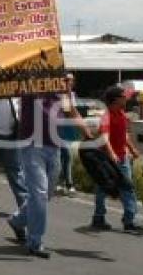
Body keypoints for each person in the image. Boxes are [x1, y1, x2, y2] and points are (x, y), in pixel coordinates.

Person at [7, 91, 90, 258]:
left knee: (46, 194)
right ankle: (35, 242)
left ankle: (18, 220)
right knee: (39, 193)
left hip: (54, 146)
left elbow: (70, 111)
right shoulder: (30, 86)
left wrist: (87, 133)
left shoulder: (60, 92)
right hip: (31, 146)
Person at [91, 85, 142, 231]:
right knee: (103, 188)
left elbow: (124, 135)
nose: (126, 98)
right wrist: (111, 153)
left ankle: (129, 221)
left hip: (122, 158)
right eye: (123, 96)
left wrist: (132, 149)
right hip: (106, 159)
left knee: (128, 187)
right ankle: (99, 217)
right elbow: (104, 138)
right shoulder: (106, 117)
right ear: (116, 100)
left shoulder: (122, 114)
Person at [56, 73, 80, 196]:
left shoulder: (71, 95)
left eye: (70, 80)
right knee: (65, 154)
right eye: (66, 80)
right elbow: (66, 110)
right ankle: (67, 183)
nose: (68, 82)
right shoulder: (57, 94)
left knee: (65, 156)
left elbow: (71, 112)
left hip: (66, 127)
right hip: (56, 127)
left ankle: (62, 183)